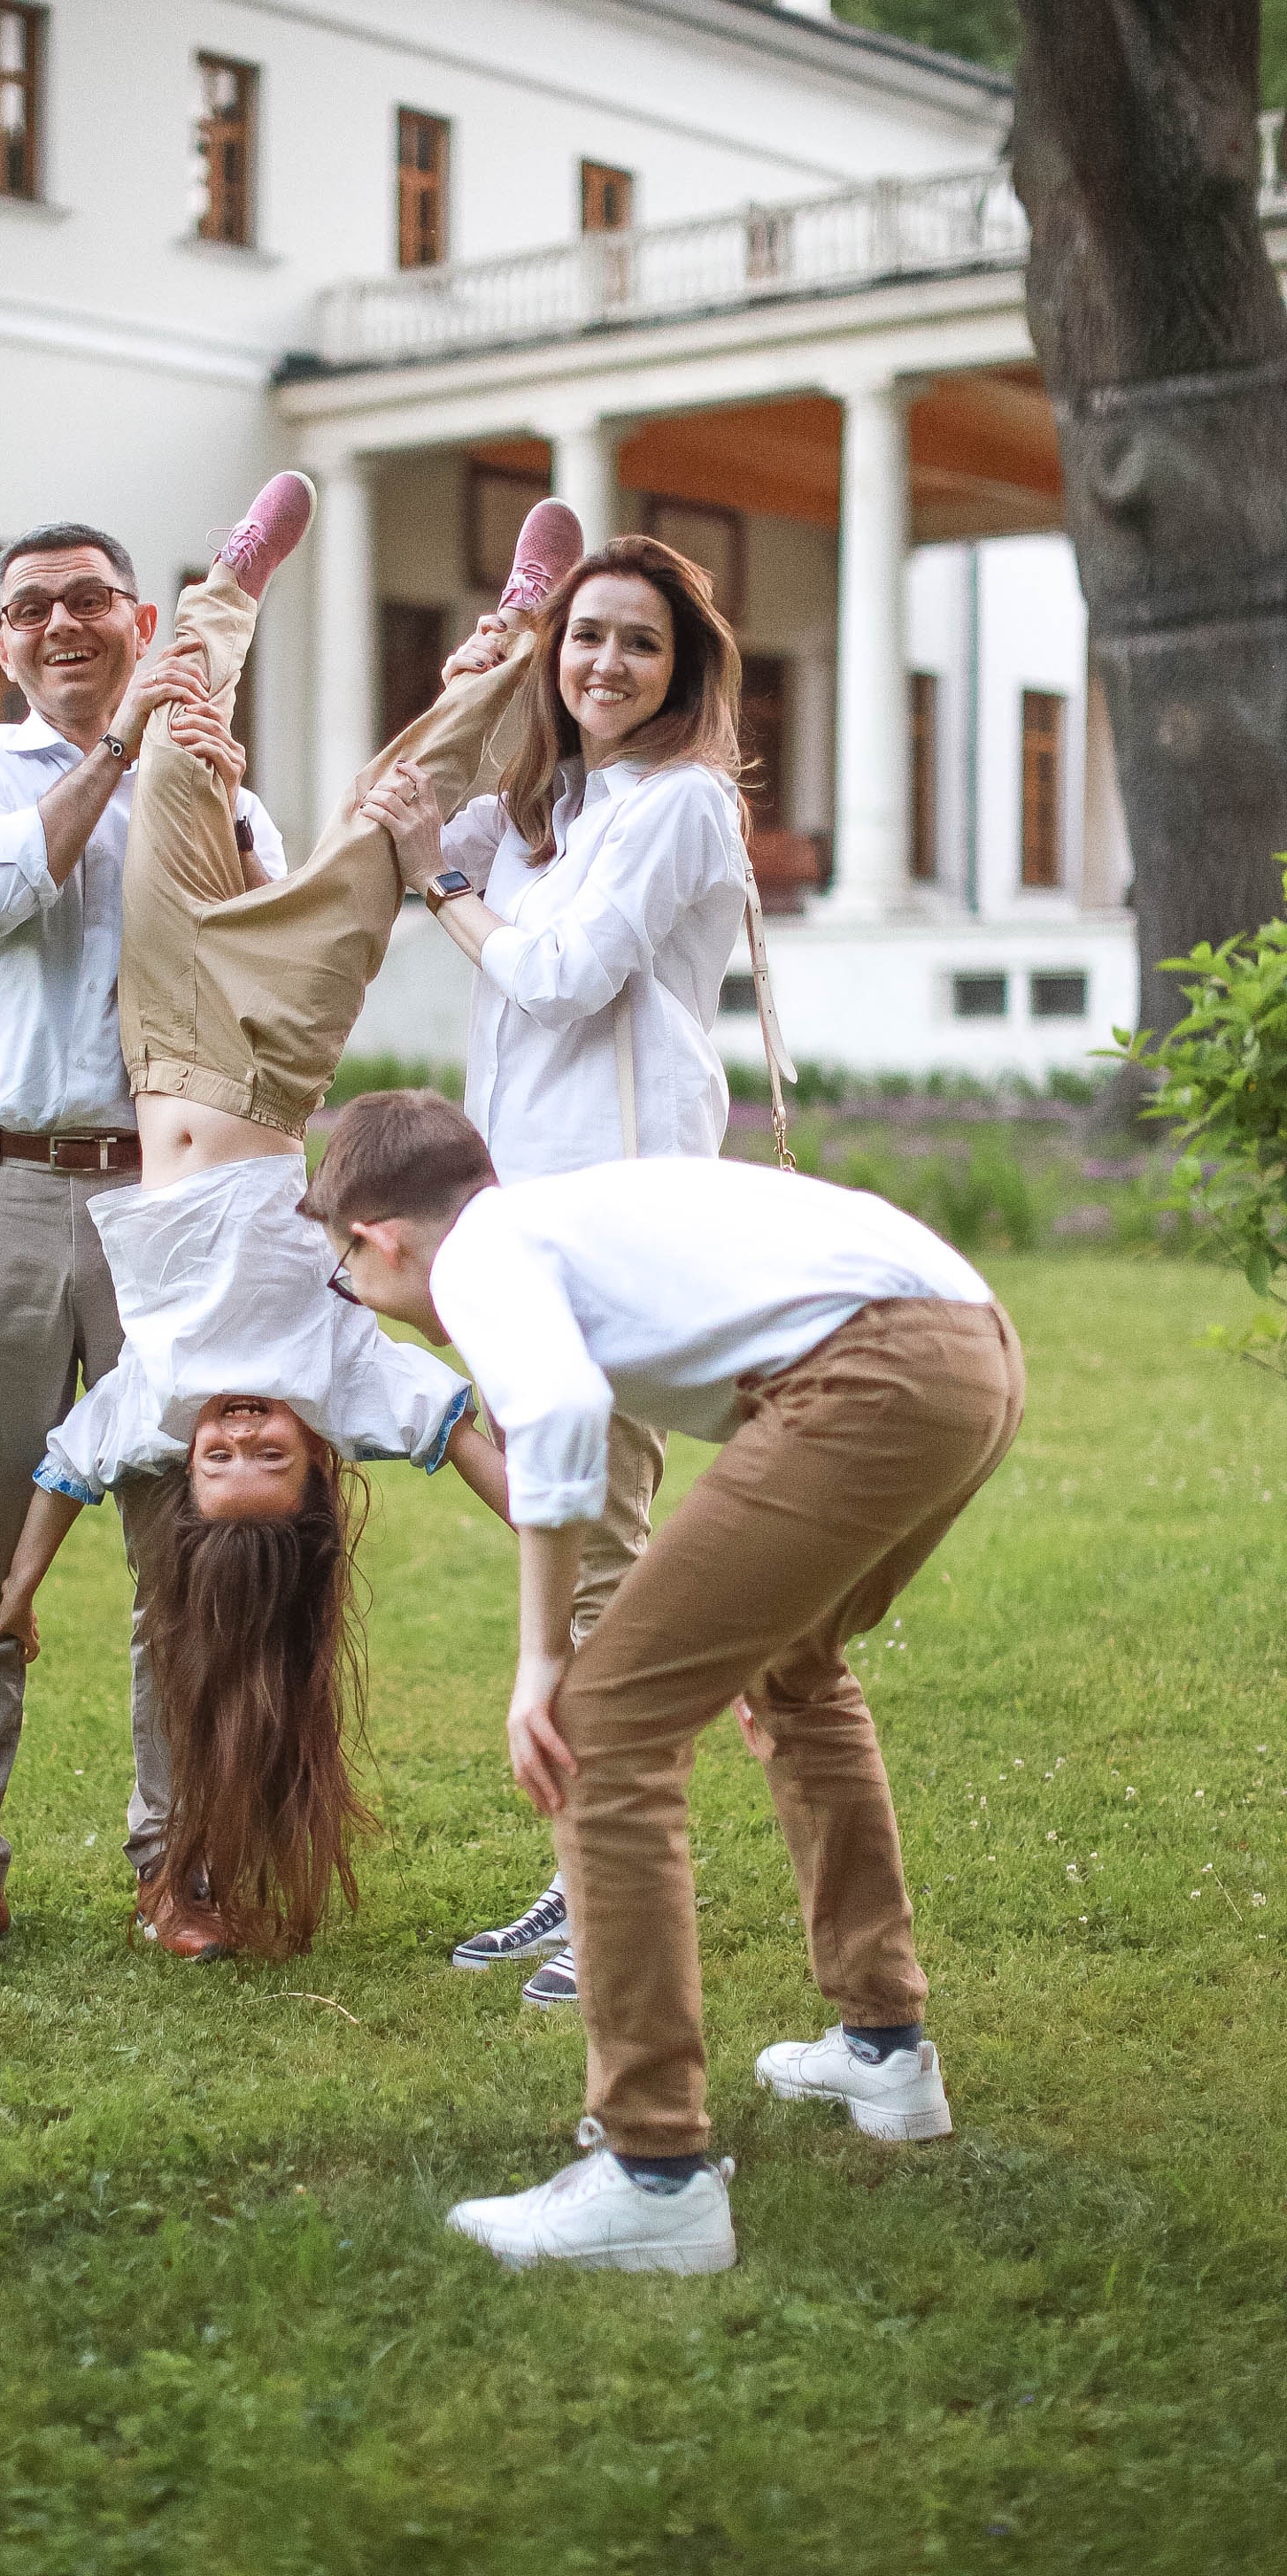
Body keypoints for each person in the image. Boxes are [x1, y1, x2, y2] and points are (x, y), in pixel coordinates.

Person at [0, 479, 588, 1957]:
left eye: (222, 1459)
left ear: (190, 1476)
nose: (242, 1431)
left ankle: (221, 593)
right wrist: (569, 1575)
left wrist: (15, 1599)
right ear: (314, 1473)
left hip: (160, 1028)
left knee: (180, 757)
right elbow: (487, 1459)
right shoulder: (348, 1381)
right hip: (272, 1062)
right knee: (398, 813)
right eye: (269, 1457)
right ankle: (511, 637)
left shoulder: (153, 1399)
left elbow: (61, 1478)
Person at [299, 1089, 1024, 2274]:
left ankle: (654, 2172)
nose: (360, 1297)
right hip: (973, 1349)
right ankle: (885, 2049)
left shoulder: (482, 1250)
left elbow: (563, 1414)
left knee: (600, 1733)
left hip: (879, 1368)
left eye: (345, 1274)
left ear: (379, 1238)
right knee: (793, 1673)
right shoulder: (554, 1221)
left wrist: (543, 1661)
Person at [0, 517, 288, 1986]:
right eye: (28, 607)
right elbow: (3, 892)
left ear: (138, 618)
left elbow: (268, 961)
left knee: (183, 1546)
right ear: (0, 644)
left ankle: (178, 1863)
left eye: (88, 600)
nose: (59, 622)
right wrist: (118, 755)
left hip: (161, 1206)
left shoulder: (196, 769)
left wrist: (224, 805)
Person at [358, 535, 752, 2008]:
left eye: (637, 644)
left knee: (602, 1559)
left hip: (622, 1225)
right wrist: (474, 675)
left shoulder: (681, 807)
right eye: (581, 638)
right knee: (574, 1543)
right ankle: (582, 1870)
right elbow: (382, 811)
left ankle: (612, 1893)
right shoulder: (543, 808)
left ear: (682, 667)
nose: (605, 666)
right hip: (520, 1225)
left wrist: (440, 891)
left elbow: (562, 975)